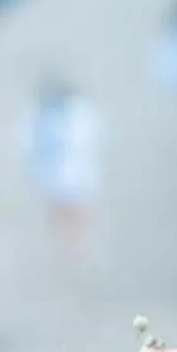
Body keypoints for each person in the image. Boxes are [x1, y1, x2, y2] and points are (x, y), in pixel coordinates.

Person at [22, 79, 103, 260]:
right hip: (61, 174)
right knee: (67, 212)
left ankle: (73, 248)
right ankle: (69, 248)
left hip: (68, 174)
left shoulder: (78, 114)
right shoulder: (41, 116)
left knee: (72, 212)